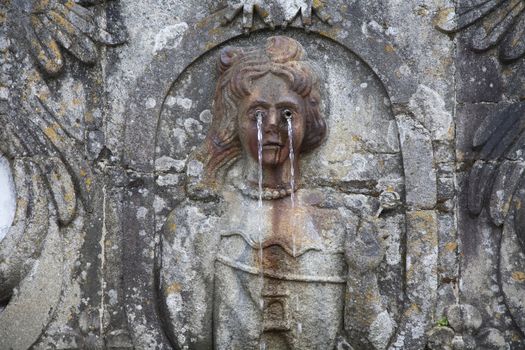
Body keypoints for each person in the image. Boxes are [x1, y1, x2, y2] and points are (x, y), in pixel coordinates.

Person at [160, 36, 390, 350]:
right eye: (256, 114)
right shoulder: (197, 222)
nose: (270, 126)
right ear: (233, 123)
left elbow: (371, 341)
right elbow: (191, 338)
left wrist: (364, 273)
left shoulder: (340, 222)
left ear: (308, 122)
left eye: (286, 114)